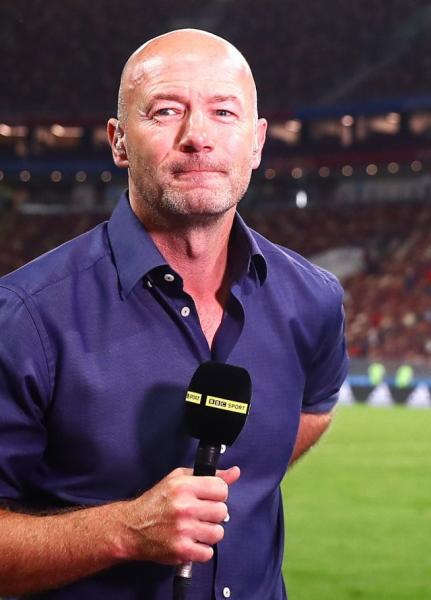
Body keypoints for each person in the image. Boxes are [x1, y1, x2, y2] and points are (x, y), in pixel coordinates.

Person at [0, 29, 348, 599]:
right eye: (166, 111)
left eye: (223, 112)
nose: (198, 137)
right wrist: (123, 531)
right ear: (118, 142)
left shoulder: (313, 299)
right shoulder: (25, 318)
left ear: (257, 142)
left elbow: (316, 407)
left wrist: (249, 471)